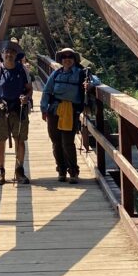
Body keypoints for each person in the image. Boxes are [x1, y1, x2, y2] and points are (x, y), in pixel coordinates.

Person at [41, 48, 99, 183]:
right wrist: (44, 109)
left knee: (67, 142)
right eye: (64, 57)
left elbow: (96, 80)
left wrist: (90, 85)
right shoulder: (56, 74)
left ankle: (73, 171)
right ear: (61, 60)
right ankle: (61, 170)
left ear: (74, 59)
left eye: (70, 57)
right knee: (56, 142)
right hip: (54, 111)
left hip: (71, 111)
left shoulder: (81, 73)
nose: (67, 59)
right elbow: (47, 91)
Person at [0, 39, 33, 186]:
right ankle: (0, 171)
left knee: (20, 139)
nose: (9, 54)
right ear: (2, 54)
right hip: (2, 110)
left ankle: (19, 170)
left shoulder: (22, 69)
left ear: (16, 55)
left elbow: (29, 88)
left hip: (19, 109)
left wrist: (27, 97)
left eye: (12, 52)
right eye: (6, 52)